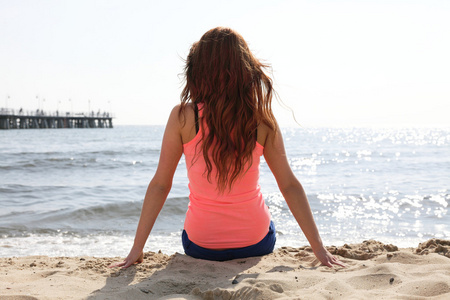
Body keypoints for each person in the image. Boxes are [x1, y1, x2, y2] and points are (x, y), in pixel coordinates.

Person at [110, 27, 344, 268]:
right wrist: (319, 249)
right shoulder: (261, 120)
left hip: (200, 246)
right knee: (268, 223)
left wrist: (137, 249)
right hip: (256, 243)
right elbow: (289, 185)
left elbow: (160, 184)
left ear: (199, 69)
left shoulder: (182, 117)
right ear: (245, 69)